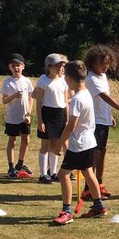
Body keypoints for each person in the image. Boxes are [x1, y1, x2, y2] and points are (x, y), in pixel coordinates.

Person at [52, 60, 104, 224]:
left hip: (79, 144)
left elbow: (71, 125)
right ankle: (98, 206)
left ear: (68, 79)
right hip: (89, 142)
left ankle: (66, 212)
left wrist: (60, 143)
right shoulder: (86, 94)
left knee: (62, 174)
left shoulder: (76, 100)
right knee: (88, 172)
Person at [82, 45, 119, 200]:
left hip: (103, 120)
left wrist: (109, 115)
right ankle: (88, 189)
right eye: (101, 63)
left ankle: (98, 183)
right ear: (92, 63)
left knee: (102, 152)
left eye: (107, 63)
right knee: (95, 154)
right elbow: (105, 97)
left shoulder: (103, 77)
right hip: (95, 121)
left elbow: (103, 101)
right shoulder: (90, 78)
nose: (105, 66)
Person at [34, 53, 68, 184]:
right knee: (45, 145)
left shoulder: (63, 81)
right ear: (49, 67)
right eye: (57, 66)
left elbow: (65, 101)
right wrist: (40, 120)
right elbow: (38, 102)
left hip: (60, 114)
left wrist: (66, 118)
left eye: (61, 66)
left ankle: (53, 172)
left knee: (56, 146)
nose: (60, 68)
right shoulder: (43, 80)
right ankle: (43, 174)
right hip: (47, 113)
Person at [0, 53, 34, 178]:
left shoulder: (27, 81)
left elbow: (31, 98)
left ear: (23, 66)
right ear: (10, 67)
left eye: (18, 65)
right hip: (12, 117)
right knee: (12, 141)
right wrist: (14, 95)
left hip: (24, 116)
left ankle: (20, 164)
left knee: (26, 140)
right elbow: (4, 101)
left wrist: (29, 113)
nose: (16, 68)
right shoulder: (7, 82)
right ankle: (11, 167)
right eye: (13, 66)